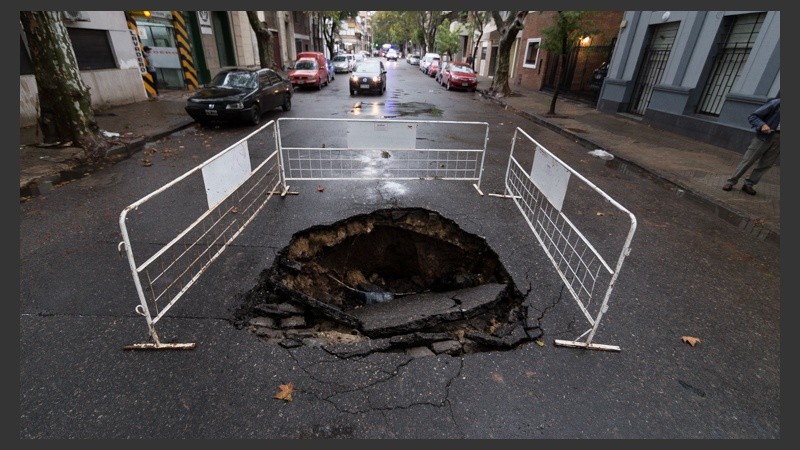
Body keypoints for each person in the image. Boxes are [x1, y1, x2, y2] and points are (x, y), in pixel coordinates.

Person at [722, 97, 780, 195]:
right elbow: (753, 116)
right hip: (765, 136)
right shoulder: (776, 103)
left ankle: (749, 184)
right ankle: (731, 181)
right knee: (748, 160)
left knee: (765, 164)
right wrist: (762, 125)